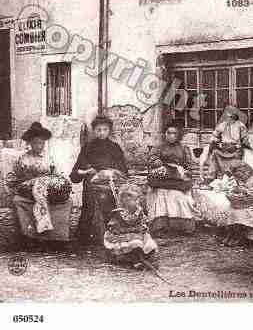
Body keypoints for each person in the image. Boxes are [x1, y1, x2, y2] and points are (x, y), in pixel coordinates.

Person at [7, 122, 72, 240]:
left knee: (66, 201)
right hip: (28, 191)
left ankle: (56, 237)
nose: (39, 146)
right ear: (30, 143)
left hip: (47, 190)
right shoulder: (22, 159)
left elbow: (56, 173)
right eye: (36, 143)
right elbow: (13, 178)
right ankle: (32, 237)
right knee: (18, 200)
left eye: (42, 143)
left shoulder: (49, 158)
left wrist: (60, 180)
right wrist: (20, 185)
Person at [70, 115, 128, 244]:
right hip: (91, 184)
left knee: (109, 202)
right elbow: (75, 173)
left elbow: (124, 170)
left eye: (105, 129)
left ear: (109, 131)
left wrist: (111, 172)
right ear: (94, 131)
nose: (102, 133)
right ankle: (87, 236)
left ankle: (111, 232)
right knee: (90, 200)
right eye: (98, 130)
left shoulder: (115, 148)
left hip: (110, 184)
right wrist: (86, 172)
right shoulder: (87, 148)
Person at [195, 160, 253, 247]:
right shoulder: (239, 180)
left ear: (246, 171)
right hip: (242, 203)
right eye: (237, 176)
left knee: (239, 214)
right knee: (230, 211)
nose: (239, 178)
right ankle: (231, 234)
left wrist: (245, 191)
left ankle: (237, 237)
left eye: (241, 175)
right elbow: (231, 188)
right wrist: (234, 191)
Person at [146, 122, 198, 237]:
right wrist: (156, 162)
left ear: (178, 135)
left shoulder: (183, 148)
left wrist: (184, 170)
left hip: (177, 180)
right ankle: (161, 227)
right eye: (169, 133)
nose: (171, 136)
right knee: (160, 195)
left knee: (179, 197)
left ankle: (181, 227)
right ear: (165, 134)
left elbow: (188, 165)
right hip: (163, 179)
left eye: (174, 133)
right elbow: (151, 158)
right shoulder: (159, 147)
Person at [104, 184, 158, 270]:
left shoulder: (139, 212)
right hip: (122, 235)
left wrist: (141, 229)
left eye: (133, 198)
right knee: (134, 242)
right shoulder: (118, 213)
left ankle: (144, 257)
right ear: (122, 200)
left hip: (137, 233)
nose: (128, 199)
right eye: (125, 198)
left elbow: (143, 223)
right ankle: (135, 260)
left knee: (147, 242)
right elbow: (114, 227)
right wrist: (126, 231)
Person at [207, 106, 248, 179]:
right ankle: (211, 177)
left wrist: (238, 146)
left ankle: (232, 178)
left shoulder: (241, 126)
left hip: (235, 150)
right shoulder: (222, 125)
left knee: (237, 159)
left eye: (231, 114)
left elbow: (245, 140)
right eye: (227, 114)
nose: (229, 116)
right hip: (223, 149)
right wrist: (217, 142)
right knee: (215, 153)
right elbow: (214, 136)